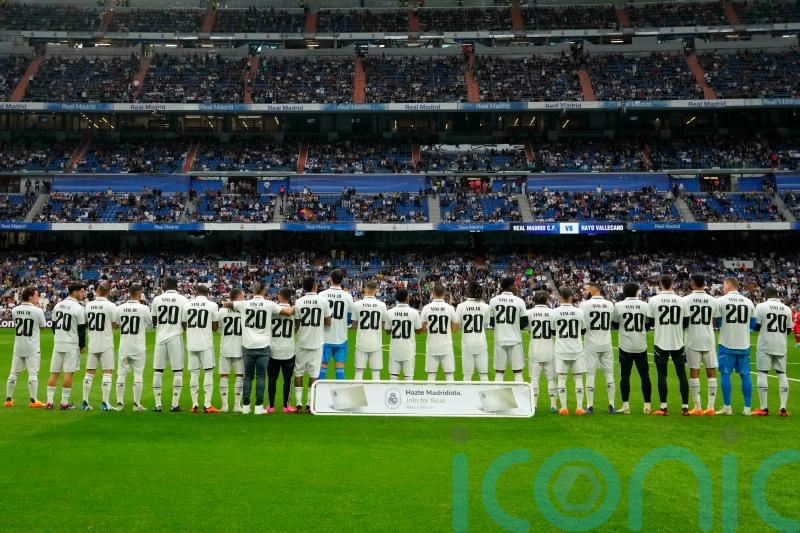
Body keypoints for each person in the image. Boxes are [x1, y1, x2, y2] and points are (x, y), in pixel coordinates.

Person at [225, 281, 294, 415]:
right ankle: (258, 407)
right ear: (264, 291)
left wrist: (230, 305)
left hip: (248, 345)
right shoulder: (269, 304)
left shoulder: (244, 304)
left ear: (252, 290)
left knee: (248, 377)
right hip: (263, 345)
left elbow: (227, 304)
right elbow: (287, 312)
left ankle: (246, 407)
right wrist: (297, 306)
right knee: (261, 377)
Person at [648, 275, 689, 416]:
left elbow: (651, 323)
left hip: (661, 342)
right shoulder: (682, 300)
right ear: (672, 284)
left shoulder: (653, 300)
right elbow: (685, 323)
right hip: (677, 342)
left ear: (660, 284)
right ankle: (685, 407)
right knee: (682, 374)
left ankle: (663, 407)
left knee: (662, 375)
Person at [715, 277, 756, 416]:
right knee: (745, 375)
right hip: (744, 344)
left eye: (724, 286)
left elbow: (717, 323)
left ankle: (727, 407)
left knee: (725, 374)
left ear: (728, 286)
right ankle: (747, 408)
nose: (723, 288)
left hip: (727, 343)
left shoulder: (721, 301)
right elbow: (752, 325)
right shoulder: (749, 302)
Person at [293, 277, 332, 414]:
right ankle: (310, 405)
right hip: (317, 342)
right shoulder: (323, 301)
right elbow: (328, 322)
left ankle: (298, 404)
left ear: (304, 288)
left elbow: (297, 323)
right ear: (315, 286)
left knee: (298, 373)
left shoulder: (299, 301)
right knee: (314, 374)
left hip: (302, 341)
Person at [682, 274, 720, 416]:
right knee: (711, 371)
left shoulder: (685, 300)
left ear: (692, 284)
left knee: (694, 372)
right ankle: (710, 407)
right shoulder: (713, 300)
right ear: (704, 284)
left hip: (692, 339)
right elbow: (714, 320)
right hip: (708, 338)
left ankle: (697, 407)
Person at [612, 282, 652, 415]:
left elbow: (615, 324)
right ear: (636, 292)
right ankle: (647, 406)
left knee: (625, 376)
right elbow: (648, 325)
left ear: (624, 292)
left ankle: (626, 406)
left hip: (625, 346)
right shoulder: (645, 305)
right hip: (641, 345)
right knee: (645, 375)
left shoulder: (618, 305)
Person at [752, 286, 792, 417]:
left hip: (765, 344)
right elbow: (788, 330)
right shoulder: (787, 309)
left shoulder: (761, 306)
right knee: (782, 374)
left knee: (762, 373)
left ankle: (764, 408)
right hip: (781, 345)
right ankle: (783, 408)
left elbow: (756, 327)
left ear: (766, 295)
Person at [4, 286, 47, 409]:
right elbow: (43, 327)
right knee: (33, 374)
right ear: (30, 296)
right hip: (32, 346)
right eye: (36, 295)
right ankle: (33, 400)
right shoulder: (38, 311)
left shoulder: (15, 310)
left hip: (19, 346)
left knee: (13, 373)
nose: (38, 297)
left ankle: (8, 399)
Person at [150, 277, 188, 412]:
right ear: (176, 286)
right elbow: (184, 322)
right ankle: (175, 404)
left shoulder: (157, 299)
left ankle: (158, 404)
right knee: (177, 372)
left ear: (165, 285)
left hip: (160, 337)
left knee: (158, 371)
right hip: (175, 337)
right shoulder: (183, 300)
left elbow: (154, 321)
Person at [579, 282, 618, 415]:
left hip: (591, 344)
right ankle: (611, 405)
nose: (586, 292)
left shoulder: (584, 305)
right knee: (609, 374)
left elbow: (582, 323)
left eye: (587, 289)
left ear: (592, 290)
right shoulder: (610, 304)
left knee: (590, 374)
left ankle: (590, 406)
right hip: (606, 343)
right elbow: (612, 321)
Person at [47, 283, 87, 410]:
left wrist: (60, 336)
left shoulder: (58, 305)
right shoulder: (79, 308)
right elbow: (81, 330)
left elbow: (53, 326)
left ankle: (49, 402)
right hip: (71, 344)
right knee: (69, 373)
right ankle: (64, 403)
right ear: (75, 292)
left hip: (58, 343)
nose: (83, 294)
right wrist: (82, 345)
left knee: (54, 373)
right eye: (82, 291)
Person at [182, 284, 220, 414]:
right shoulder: (212, 305)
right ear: (207, 293)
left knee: (194, 373)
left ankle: (194, 405)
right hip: (206, 344)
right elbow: (215, 328)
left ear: (195, 292)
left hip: (192, 343)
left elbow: (184, 324)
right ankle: (207, 405)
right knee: (208, 373)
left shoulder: (187, 304)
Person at [115, 284, 153, 412]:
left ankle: (119, 404)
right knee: (138, 374)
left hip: (124, 346)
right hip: (138, 346)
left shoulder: (120, 308)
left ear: (129, 293)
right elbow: (150, 324)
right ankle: (136, 405)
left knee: (121, 374)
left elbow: (116, 324)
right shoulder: (144, 308)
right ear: (139, 293)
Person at [82, 282, 117, 411]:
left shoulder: (88, 305)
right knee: (107, 372)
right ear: (108, 292)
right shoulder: (111, 306)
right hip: (106, 342)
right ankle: (105, 403)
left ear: (97, 291)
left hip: (93, 341)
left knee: (89, 372)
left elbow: (86, 322)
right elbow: (114, 324)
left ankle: (85, 402)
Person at [551, 288, 586, 416]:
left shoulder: (554, 312)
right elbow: (583, 330)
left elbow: (553, 331)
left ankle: (564, 408)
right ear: (571, 297)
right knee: (578, 377)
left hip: (561, 349)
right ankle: (579, 408)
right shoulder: (579, 312)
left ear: (560, 297)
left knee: (562, 378)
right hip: (576, 349)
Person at [488, 277, 528, 382]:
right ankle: (519, 392)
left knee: (499, 372)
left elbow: (491, 322)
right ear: (510, 286)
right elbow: (524, 322)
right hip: (515, 340)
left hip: (500, 339)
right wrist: (514, 326)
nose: (517, 287)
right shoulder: (519, 301)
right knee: (518, 372)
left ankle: (498, 392)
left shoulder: (493, 301)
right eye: (515, 285)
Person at [319, 269, 353, 380]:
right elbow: (349, 320)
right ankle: (340, 391)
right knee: (340, 367)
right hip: (341, 337)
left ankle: (321, 390)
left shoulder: (322, 295)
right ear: (342, 280)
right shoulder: (348, 296)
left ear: (330, 279)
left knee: (323, 366)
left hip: (324, 337)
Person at [527, 290, 557, 414]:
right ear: (546, 300)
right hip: (549, 349)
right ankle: (553, 405)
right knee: (551, 379)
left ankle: (534, 405)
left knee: (534, 378)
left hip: (535, 349)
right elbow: (555, 331)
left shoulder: (529, 313)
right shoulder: (553, 313)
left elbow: (528, 329)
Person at [351, 281, 387, 381]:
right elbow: (384, 325)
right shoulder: (382, 305)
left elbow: (354, 325)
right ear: (376, 290)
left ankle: (357, 392)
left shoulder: (357, 304)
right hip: (376, 342)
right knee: (376, 372)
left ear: (365, 289)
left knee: (359, 371)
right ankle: (375, 392)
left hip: (361, 342)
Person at [421, 284, 458, 382]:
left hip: (432, 346)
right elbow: (455, 329)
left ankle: (431, 393)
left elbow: (422, 329)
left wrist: (430, 326)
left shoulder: (426, 308)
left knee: (431, 376)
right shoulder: (450, 308)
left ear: (433, 293)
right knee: (449, 376)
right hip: (446, 346)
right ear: (444, 294)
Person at [455, 282, 490, 382]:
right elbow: (485, 326)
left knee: (467, 376)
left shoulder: (460, 306)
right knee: (483, 375)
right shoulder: (485, 307)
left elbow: (458, 327)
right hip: (481, 343)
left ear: (468, 291)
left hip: (467, 344)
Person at [385, 288, 423, 381]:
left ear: (396, 298)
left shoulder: (389, 312)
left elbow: (387, 331)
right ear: (407, 298)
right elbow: (418, 331)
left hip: (395, 349)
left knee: (393, 378)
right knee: (409, 378)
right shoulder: (414, 312)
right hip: (409, 349)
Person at [218, 288, 244, 413]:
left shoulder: (222, 310)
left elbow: (218, 328)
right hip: (240, 347)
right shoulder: (244, 310)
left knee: (224, 375)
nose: (244, 298)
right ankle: (237, 405)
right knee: (239, 376)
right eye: (242, 296)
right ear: (238, 297)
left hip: (226, 346)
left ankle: (224, 406)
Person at [271, 288, 297, 413]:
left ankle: (271, 406)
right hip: (288, 349)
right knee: (288, 380)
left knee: (272, 379)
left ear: (279, 296)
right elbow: (297, 327)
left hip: (273, 348)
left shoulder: (272, 309)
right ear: (290, 297)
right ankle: (286, 406)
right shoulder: (294, 310)